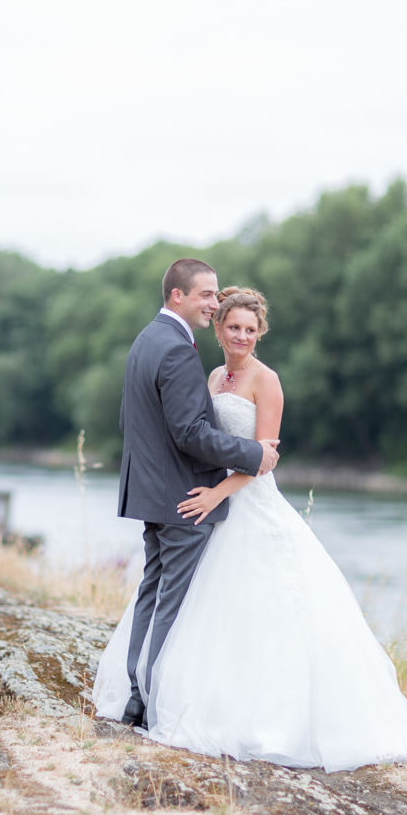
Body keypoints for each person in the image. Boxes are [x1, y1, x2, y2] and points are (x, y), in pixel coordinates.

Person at [95, 285, 407, 773]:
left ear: (261, 333)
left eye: (250, 329)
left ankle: (268, 716)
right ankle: (168, 693)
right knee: (202, 606)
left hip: (247, 501)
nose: (241, 336)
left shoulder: (266, 380)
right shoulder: (212, 374)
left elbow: (264, 459)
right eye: (233, 326)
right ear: (218, 328)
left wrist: (215, 493)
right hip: (209, 506)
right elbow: (195, 436)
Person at [114, 259, 281, 730]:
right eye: (207, 296)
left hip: (162, 494)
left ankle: (138, 692)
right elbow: (189, 431)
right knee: (173, 601)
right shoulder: (183, 354)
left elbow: (132, 424)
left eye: (249, 327)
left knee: (155, 593)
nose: (213, 302)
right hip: (187, 497)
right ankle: (148, 700)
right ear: (178, 296)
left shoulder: (146, 340)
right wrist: (252, 453)